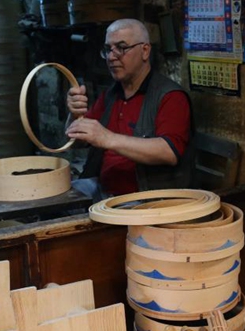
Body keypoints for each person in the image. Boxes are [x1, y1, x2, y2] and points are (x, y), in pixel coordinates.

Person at [66, 19, 193, 200]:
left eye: (122, 48)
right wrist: (74, 114)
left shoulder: (170, 96)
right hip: (103, 188)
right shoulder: (111, 94)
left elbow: (169, 152)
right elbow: (77, 141)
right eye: (108, 49)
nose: (111, 57)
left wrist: (107, 138)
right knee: (52, 200)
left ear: (145, 51)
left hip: (144, 198)